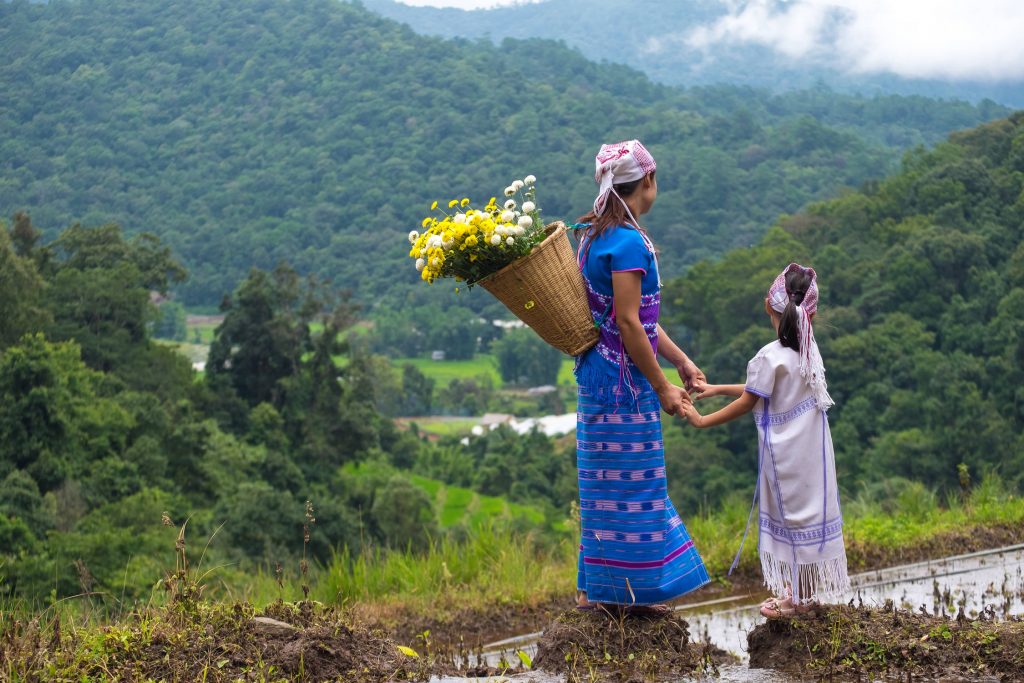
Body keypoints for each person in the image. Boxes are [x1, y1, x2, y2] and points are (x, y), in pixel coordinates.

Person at [572, 139, 710, 613]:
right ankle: (632, 594)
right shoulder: (629, 242)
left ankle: (602, 592)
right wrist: (662, 387)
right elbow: (630, 324)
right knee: (636, 487)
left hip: (597, 378)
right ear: (646, 182)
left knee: (603, 488)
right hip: (625, 386)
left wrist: (681, 361)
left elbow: (634, 319)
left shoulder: (593, 236)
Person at [681, 263, 850, 618]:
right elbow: (760, 391)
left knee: (792, 518)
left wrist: (701, 420)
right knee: (808, 517)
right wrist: (715, 390)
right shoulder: (808, 351)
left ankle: (798, 601)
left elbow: (750, 400)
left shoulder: (768, 356)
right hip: (814, 451)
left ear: (766, 306)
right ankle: (801, 593)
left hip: (786, 456)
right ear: (812, 312)